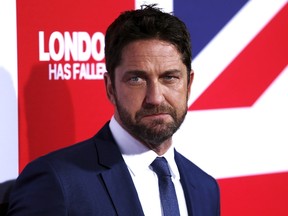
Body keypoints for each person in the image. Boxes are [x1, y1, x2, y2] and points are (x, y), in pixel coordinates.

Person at [7, 4, 220, 216]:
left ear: (189, 84)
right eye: (136, 79)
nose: (155, 97)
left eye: (169, 78)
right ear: (110, 88)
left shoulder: (205, 188)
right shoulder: (57, 182)